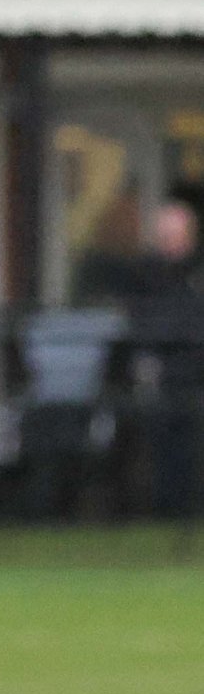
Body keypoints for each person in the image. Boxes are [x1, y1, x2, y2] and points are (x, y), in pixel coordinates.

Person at [123, 198, 204, 515]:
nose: (170, 243)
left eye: (176, 235)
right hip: (160, 371)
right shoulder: (145, 274)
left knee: (192, 443)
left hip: (195, 370)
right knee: (161, 441)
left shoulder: (196, 272)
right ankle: (165, 508)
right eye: (165, 236)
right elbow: (138, 319)